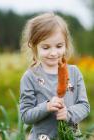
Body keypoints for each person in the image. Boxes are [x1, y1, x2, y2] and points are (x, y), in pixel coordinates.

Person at [19, 12, 90, 140]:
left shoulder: (74, 73)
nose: (53, 53)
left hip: (70, 137)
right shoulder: (30, 77)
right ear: (34, 47)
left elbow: (84, 106)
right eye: (46, 47)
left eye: (59, 46)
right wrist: (46, 107)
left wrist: (68, 113)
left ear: (66, 44)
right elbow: (25, 115)